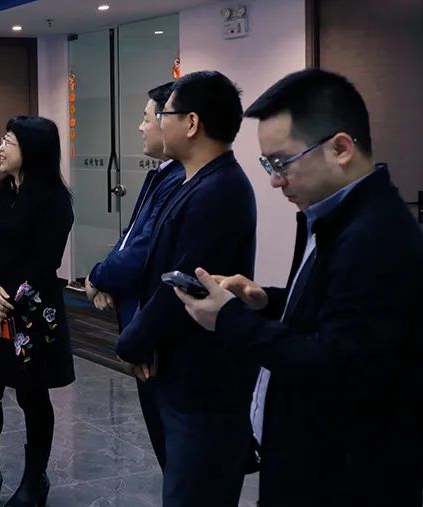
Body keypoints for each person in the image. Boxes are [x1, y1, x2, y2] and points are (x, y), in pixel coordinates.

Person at [174, 69, 423, 507]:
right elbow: (334, 310)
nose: (275, 181)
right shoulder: (329, 214)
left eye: (281, 163)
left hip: (341, 478)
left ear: (340, 148)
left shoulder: (375, 236)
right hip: (304, 458)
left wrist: (229, 319)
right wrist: (268, 301)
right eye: (268, 166)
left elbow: (336, 366)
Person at [114, 70, 257, 507]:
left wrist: (132, 342)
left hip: (203, 382)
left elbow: (184, 285)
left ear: (191, 123)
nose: (156, 122)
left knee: (196, 492)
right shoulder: (191, 182)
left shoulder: (219, 190)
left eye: (165, 114)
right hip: (178, 368)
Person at [0, 116, 74, 507]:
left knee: (32, 395)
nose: (0, 147)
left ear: (30, 150)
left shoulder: (55, 200)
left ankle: (35, 480)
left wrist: (7, 298)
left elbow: (44, 261)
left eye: (8, 141)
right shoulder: (0, 192)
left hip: (32, 314)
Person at [83, 81, 184, 469]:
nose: (140, 128)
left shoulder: (180, 180)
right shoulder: (161, 174)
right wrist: (104, 276)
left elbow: (143, 250)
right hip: (139, 325)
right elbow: (129, 236)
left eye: (146, 118)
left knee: (174, 451)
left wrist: (98, 278)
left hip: (156, 333)